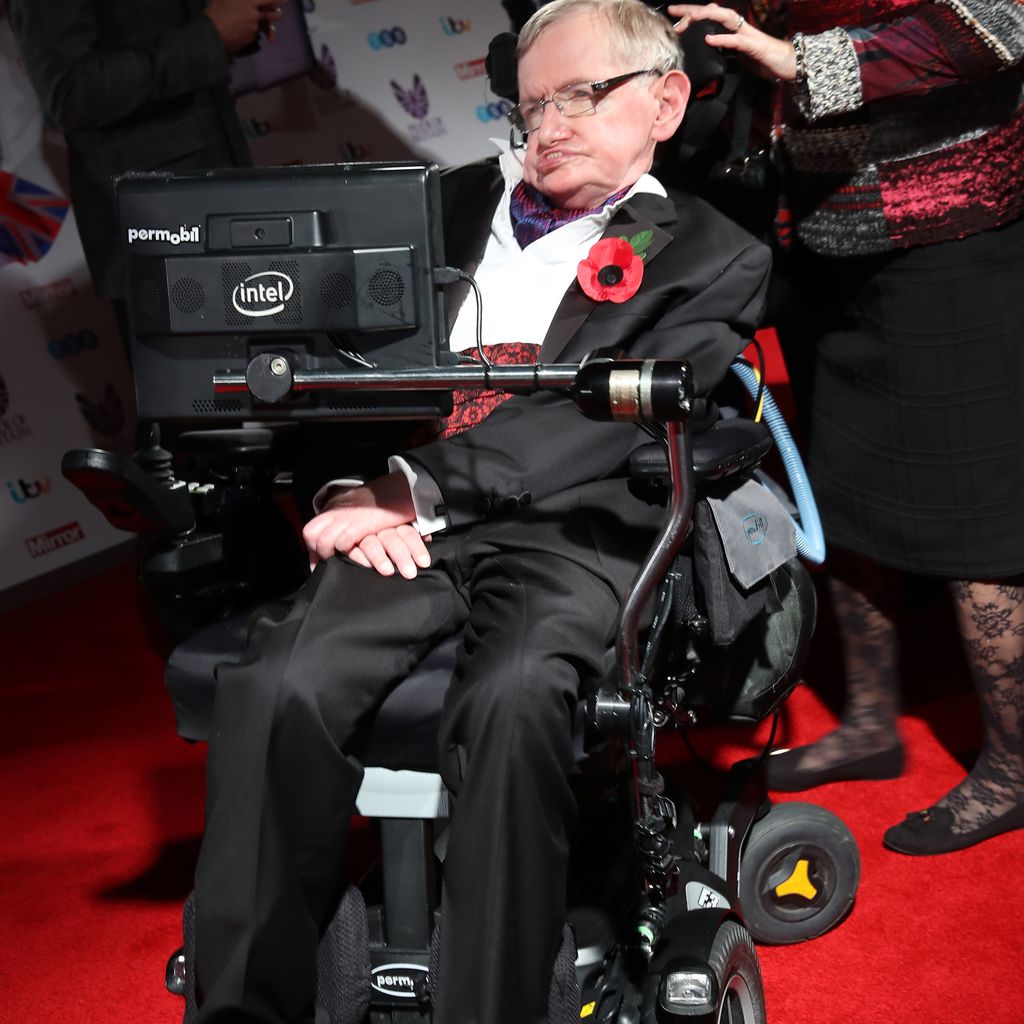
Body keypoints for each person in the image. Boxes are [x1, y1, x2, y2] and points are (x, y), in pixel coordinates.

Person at [189, 2, 771, 1022]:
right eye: (533, 104)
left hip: (572, 531)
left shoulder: (713, 255)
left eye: (581, 95)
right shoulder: (433, 205)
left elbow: (595, 428)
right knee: (278, 683)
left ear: (666, 101)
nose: (550, 124)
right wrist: (345, 492)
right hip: (399, 524)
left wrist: (413, 489)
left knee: (511, 700)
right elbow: (323, 366)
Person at [669, 2, 1024, 855]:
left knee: (972, 518)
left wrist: (802, 63)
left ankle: (1016, 768)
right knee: (844, 496)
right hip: (823, 226)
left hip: (952, 227)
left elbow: (1002, 23)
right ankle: (870, 725)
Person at [7, 0, 283, 303]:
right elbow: (71, 93)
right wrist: (209, 36)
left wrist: (239, 18)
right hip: (158, 234)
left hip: (225, 197)